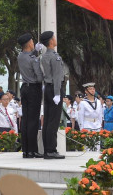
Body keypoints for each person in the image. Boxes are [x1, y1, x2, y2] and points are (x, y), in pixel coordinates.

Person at [17, 32, 44, 159]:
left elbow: (28, 57)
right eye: (32, 42)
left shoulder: (20, 56)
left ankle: (26, 150)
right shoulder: (34, 60)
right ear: (28, 44)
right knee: (33, 120)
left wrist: (35, 53)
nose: (34, 44)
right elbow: (39, 77)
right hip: (34, 88)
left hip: (24, 88)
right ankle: (33, 150)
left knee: (26, 120)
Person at [40, 30, 65, 159]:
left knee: (48, 120)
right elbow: (56, 77)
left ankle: (47, 150)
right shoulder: (55, 57)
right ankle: (51, 150)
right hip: (55, 88)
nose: (55, 39)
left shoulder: (44, 56)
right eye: (54, 37)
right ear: (50, 41)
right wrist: (57, 94)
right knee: (53, 121)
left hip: (48, 88)